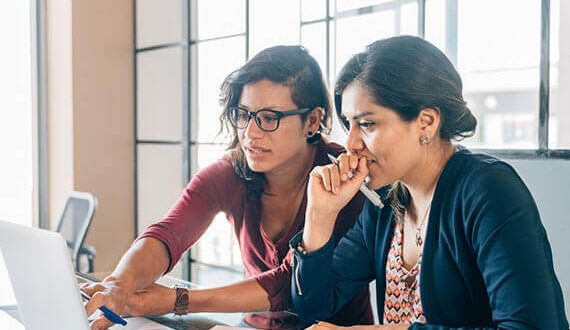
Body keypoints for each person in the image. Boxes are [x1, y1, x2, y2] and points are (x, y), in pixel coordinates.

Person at [81, 45, 374, 330]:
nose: (250, 133)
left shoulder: (343, 178)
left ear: (312, 121)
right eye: (243, 114)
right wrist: (119, 285)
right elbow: (169, 233)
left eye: (269, 118)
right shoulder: (232, 171)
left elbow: (288, 284)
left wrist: (178, 300)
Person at [290, 36, 569, 329]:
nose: (350, 143)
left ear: (426, 122)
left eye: (367, 124)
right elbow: (314, 305)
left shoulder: (489, 190)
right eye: (349, 125)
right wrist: (319, 216)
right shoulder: (385, 199)